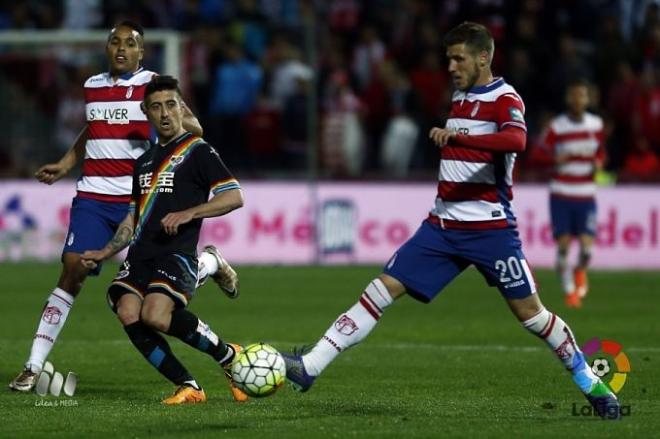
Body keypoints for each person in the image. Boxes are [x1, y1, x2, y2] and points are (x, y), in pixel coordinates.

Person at [283, 22, 621, 420]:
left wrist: (460, 140)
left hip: (490, 228)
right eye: (448, 58)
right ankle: (311, 367)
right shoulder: (461, 97)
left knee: (532, 315)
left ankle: (592, 385)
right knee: (380, 289)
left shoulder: (504, 97)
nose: (451, 66)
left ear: (484, 57)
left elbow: (517, 141)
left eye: (459, 58)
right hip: (442, 226)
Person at [9, 21, 238, 393]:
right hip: (95, 196)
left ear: (141, 52)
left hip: (142, 198)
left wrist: (157, 124)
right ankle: (34, 365)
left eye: (130, 44)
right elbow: (93, 128)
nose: (121, 48)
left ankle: (207, 264)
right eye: (115, 42)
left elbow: (192, 127)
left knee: (155, 291)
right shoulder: (92, 87)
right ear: (106, 48)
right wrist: (67, 163)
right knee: (71, 269)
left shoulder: (152, 88)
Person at [80, 75, 246, 404]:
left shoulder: (198, 152)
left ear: (181, 108)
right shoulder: (142, 162)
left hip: (176, 253)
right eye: (156, 107)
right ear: (147, 112)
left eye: (171, 105)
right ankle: (189, 386)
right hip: (141, 255)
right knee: (126, 309)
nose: (165, 113)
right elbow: (133, 217)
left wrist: (190, 213)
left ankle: (228, 356)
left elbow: (234, 196)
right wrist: (104, 251)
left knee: (154, 316)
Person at [541, 79, 605, 308]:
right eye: (574, 96)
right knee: (564, 246)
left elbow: (601, 153)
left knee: (587, 249)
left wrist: (599, 162)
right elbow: (538, 155)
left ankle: (580, 270)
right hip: (561, 193)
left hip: (586, 194)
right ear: (568, 99)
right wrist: (553, 160)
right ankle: (569, 290)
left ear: (588, 99)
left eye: (582, 96)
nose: (578, 100)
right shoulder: (557, 126)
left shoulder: (596, 125)